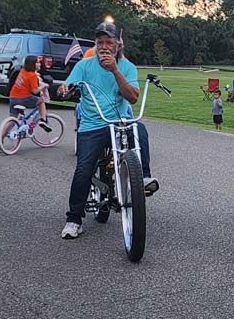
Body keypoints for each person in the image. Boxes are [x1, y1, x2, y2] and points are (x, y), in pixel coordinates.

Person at [57, 22, 158, 240]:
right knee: (84, 169)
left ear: (117, 45)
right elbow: (68, 87)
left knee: (139, 129)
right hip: (93, 124)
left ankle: (144, 178)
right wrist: (65, 88)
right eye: (100, 42)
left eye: (109, 42)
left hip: (121, 121)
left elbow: (132, 97)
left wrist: (115, 70)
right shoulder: (84, 65)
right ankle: (74, 219)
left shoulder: (127, 67)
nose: (104, 46)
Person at [8, 55, 51, 132]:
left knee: (12, 120)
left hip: (13, 98)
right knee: (41, 101)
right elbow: (35, 91)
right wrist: (44, 86)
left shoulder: (22, 71)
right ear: (32, 64)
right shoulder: (32, 75)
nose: (40, 64)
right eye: (37, 62)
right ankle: (43, 120)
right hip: (23, 98)